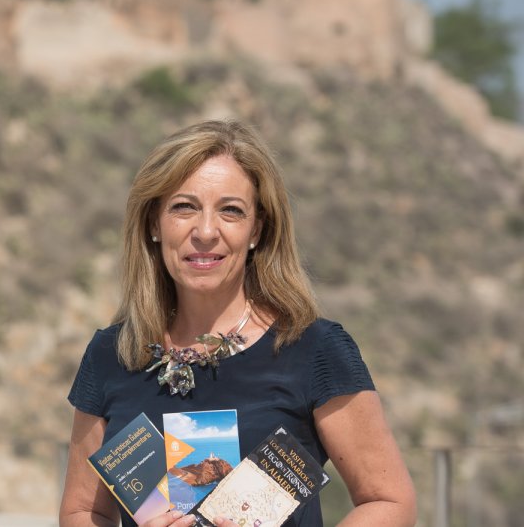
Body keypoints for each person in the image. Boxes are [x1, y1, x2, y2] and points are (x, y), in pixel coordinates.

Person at [59, 120, 415, 527]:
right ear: (154, 223)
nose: (206, 231)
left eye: (230, 210)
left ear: (256, 230)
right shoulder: (111, 355)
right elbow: (82, 512)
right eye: (184, 207)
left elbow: (390, 502)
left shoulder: (314, 349)